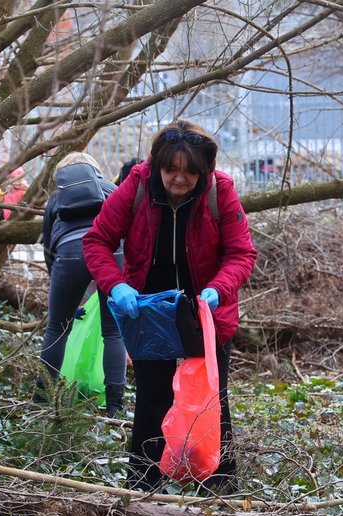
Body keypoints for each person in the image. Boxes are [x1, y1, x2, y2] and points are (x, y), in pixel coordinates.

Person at [83, 120, 257, 493]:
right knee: (151, 397)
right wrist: (117, 287)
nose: (178, 179)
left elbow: (241, 254)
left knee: (212, 399)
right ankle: (143, 486)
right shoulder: (137, 186)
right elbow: (97, 240)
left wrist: (217, 290)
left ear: (203, 172)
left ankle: (220, 487)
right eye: (171, 170)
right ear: (157, 165)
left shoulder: (219, 191)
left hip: (205, 312)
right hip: (149, 311)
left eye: (189, 172)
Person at [39, 152, 128, 417]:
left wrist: (62, 292)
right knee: (114, 333)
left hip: (68, 255)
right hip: (113, 255)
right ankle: (115, 407)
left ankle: (41, 401)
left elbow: (48, 247)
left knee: (57, 329)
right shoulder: (113, 190)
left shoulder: (56, 197)